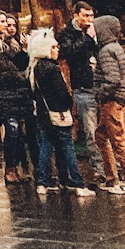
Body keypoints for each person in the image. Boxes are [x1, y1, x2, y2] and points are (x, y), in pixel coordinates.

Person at [27, 29, 91, 197]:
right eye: (54, 47)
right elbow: (62, 93)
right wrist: (69, 104)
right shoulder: (53, 69)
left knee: (45, 147)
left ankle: (42, 182)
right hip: (58, 113)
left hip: (43, 114)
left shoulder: (35, 69)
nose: (58, 49)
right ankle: (77, 183)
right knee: (67, 147)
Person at [91, 15, 125, 195]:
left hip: (111, 100)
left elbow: (112, 80)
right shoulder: (116, 48)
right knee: (101, 136)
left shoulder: (105, 51)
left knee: (117, 140)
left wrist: (100, 93)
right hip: (117, 98)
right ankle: (112, 178)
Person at [58, 2, 102, 184]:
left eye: (91, 16)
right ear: (76, 15)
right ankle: (100, 169)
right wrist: (88, 39)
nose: (89, 20)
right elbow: (70, 53)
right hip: (83, 85)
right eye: (85, 16)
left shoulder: (96, 30)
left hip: (100, 84)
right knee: (91, 130)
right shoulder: (66, 34)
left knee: (106, 129)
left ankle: (114, 167)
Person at [0, 50, 35, 184]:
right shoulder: (7, 68)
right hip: (8, 105)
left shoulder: (5, 62)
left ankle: (17, 168)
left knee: (17, 135)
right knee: (14, 133)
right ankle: (11, 169)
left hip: (12, 104)